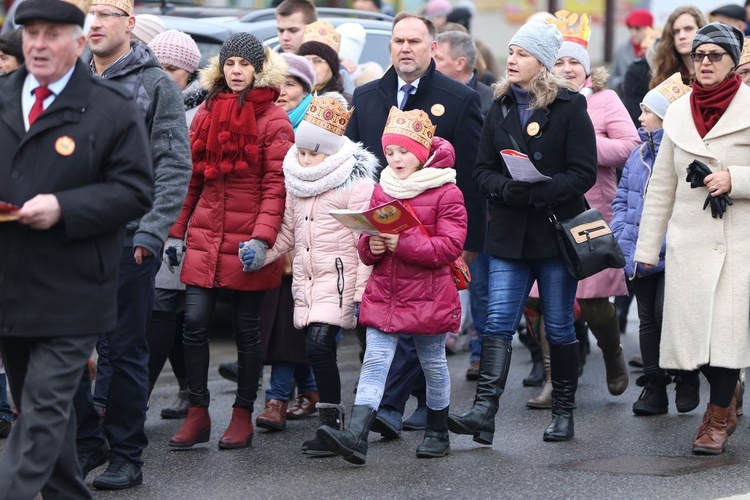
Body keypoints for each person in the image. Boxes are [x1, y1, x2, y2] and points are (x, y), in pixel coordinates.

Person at [0, 0, 154, 494]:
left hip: (74, 289)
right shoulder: (3, 97)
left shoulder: (111, 106)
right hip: (9, 288)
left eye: (52, 34)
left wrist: (64, 207)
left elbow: (135, 189)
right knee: (45, 414)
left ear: (79, 41)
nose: (39, 44)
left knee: (42, 412)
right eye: (32, 34)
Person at [449, 19, 597, 444]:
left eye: (523, 54)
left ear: (543, 63)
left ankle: (564, 412)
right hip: (510, 235)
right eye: (511, 52)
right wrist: (508, 188)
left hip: (554, 233)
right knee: (496, 321)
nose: (512, 60)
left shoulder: (570, 106)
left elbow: (583, 172)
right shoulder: (498, 106)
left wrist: (542, 190)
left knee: (558, 325)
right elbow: (480, 171)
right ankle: (484, 411)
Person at [345, 12, 484, 436]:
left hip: (434, 234)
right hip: (379, 232)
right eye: (398, 40)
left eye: (414, 41)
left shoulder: (458, 98)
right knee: (384, 331)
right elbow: (354, 166)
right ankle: (392, 411)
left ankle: (404, 410)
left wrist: (471, 241)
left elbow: (473, 176)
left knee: (422, 335)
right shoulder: (368, 96)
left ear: (433, 48)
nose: (405, 48)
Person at [73, 0, 192, 490]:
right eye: (90, 14)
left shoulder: (154, 83)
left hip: (128, 242)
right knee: (57, 347)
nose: (95, 23)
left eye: (106, 13)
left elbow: (172, 166)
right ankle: (87, 440)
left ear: (129, 23)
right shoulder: (68, 79)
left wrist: (151, 230)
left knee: (123, 352)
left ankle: (126, 453)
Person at [317, 107, 467, 464]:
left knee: (433, 362)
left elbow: (449, 248)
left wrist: (403, 243)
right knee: (374, 361)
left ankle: (437, 431)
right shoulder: (384, 189)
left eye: (404, 152)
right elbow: (367, 247)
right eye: (390, 153)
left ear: (422, 151)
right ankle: (355, 435)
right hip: (387, 291)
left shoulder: (447, 191)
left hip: (429, 293)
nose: (397, 159)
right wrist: (373, 245)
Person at [166, 33, 292, 451]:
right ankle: (198, 413)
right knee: (194, 321)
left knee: (247, 331)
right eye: (230, 63)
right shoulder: (206, 111)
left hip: (248, 239)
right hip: (205, 232)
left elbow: (277, 186)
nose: (236, 71)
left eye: (244, 64)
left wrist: (262, 239)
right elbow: (193, 179)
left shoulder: (273, 119)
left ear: (258, 69)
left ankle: (242, 414)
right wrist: (175, 231)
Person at [635, 22, 749, 455]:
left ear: (732, 60)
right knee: (690, 338)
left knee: (725, 336)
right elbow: (661, 185)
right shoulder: (680, 111)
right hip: (687, 244)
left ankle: (715, 419)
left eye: (715, 55)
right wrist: (646, 251)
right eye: (698, 55)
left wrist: (733, 178)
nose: (704, 62)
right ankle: (728, 397)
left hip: (738, 243)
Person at [244, 92, 378, 454]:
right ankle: (331, 426)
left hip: (340, 281)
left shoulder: (356, 183)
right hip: (308, 279)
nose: (305, 159)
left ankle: (331, 428)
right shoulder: (298, 182)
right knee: (316, 349)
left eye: (313, 153)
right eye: (301, 152)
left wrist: (359, 294)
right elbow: (287, 230)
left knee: (319, 346)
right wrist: (262, 255)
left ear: (332, 151)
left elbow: (366, 243)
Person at [550, 11, 639, 396]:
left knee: (592, 299)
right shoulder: (537, 98)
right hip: (546, 208)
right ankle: (557, 381)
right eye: (559, 61)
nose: (567, 69)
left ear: (586, 68)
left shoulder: (605, 99)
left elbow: (630, 146)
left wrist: (583, 148)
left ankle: (612, 352)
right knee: (545, 297)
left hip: (592, 210)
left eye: (574, 62)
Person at [612, 73, 691, 415]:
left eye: (646, 111)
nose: (639, 117)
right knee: (646, 319)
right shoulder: (637, 154)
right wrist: (619, 234)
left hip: (672, 252)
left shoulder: (681, 154)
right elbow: (621, 199)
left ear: (666, 116)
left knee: (667, 314)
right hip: (638, 249)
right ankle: (654, 388)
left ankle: (685, 374)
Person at [253, 52, 320, 432]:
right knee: (278, 319)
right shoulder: (262, 121)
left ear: (307, 90)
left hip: (305, 240)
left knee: (288, 321)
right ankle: (309, 388)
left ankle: (275, 399)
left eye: (291, 83)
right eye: (277, 83)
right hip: (268, 235)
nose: (282, 91)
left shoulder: (321, 127)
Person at [144, 28, 204, 420]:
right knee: (172, 311)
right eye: (157, 67)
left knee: (163, 306)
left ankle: (132, 399)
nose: (163, 76)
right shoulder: (142, 100)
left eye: (172, 69)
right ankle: (187, 388)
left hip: (186, 222)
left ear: (188, 73)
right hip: (146, 216)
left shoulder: (200, 112)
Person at [434, 30, 493, 116]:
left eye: (438, 58)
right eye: (431, 56)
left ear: (460, 64)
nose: (431, 62)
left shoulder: (490, 101)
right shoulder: (424, 91)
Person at [650, 6, 706, 89]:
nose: (681, 36)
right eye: (676, 31)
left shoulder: (714, 70)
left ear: (701, 31)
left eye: (688, 29)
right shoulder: (665, 73)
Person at [298, 20, 350, 103]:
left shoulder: (346, 104)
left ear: (331, 67)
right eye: (306, 60)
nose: (310, 66)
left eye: (318, 61)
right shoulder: (289, 100)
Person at [610, 8, 653, 95]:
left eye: (637, 28)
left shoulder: (656, 50)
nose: (633, 33)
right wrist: (623, 84)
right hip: (624, 100)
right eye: (630, 28)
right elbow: (612, 79)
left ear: (649, 29)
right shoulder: (622, 49)